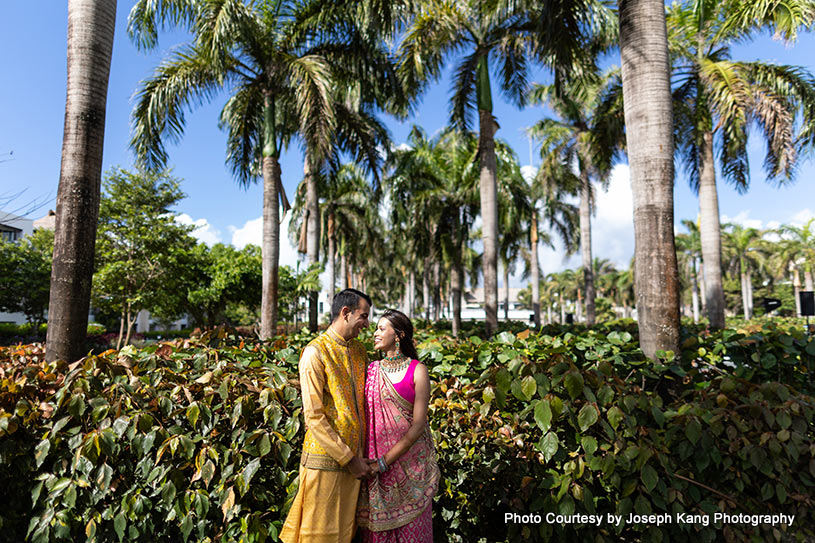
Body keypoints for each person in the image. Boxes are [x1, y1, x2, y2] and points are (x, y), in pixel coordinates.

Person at [281, 288, 374, 543]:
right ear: (346, 313)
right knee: (318, 535)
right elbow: (313, 417)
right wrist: (348, 458)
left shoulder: (359, 351)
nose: (367, 324)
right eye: (363, 316)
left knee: (344, 535)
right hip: (326, 462)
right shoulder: (315, 352)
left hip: (356, 463)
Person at [357, 309, 440, 542]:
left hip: (410, 471)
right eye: (375, 328)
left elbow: (417, 426)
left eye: (381, 328)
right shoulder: (371, 370)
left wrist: (384, 462)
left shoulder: (418, 370)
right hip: (375, 472)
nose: (375, 333)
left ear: (399, 335)